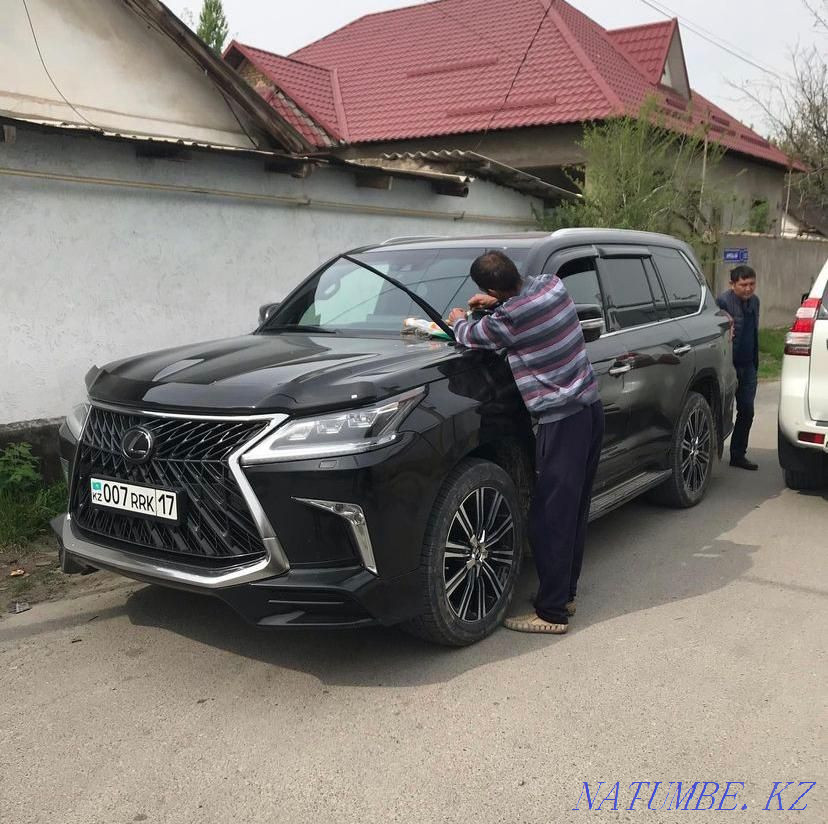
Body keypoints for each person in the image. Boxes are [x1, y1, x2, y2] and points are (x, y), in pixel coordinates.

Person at [447, 251, 603, 635]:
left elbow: (469, 335)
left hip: (562, 422)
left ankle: (551, 613)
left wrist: (458, 318)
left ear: (489, 289)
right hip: (590, 412)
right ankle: (563, 593)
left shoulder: (509, 320)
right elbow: (520, 299)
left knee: (549, 520)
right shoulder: (553, 286)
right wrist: (499, 300)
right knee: (572, 512)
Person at [717, 265, 760, 471]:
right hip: (728, 365)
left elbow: (754, 333)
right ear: (732, 284)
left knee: (747, 410)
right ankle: (711, 454)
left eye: (751, 284)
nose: (748, 289)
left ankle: (738, 454)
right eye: (743, 285)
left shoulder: (755, 302)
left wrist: (755, 363)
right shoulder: (723, 302)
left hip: (748, 365)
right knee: (720, 411)